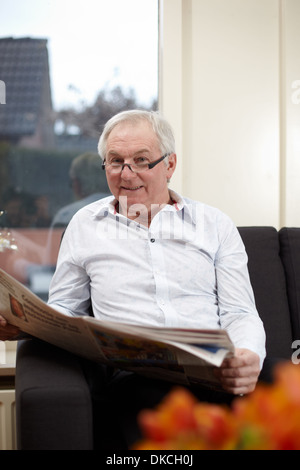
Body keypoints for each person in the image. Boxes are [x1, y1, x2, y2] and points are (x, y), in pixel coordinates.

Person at [0, 110, 266, 448]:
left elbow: (240, 312)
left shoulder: (215, 225)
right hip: (135, 379)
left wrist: (246, 356)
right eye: (115, 161)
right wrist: (25, 325)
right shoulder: (85, 225)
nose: (127, 174)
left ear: (169, 164)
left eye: (141, 160)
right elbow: (65, 308)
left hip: (214, 371)